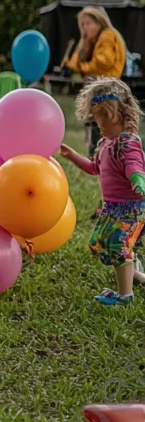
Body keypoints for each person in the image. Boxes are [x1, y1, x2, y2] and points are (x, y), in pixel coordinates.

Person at [59, 78, 145, 306]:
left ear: (121, 115)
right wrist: (73, 156)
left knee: (118, 246)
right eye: (98, 123)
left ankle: (125, 296)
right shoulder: (106, 143)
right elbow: (93, 168)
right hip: (112, 208)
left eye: (104, 122)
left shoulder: (127, 143)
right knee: (100, 243)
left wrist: (138, 180)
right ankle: (136, 277)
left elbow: (135, 165)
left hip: (131, 208)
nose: (101, 128)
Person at [63, 6, 128, 157]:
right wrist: (83, 43)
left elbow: (102, 62)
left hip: (108, 87)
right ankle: (97, 157)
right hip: (100, 87)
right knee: (96, 125)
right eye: (83, 24)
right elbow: (75, 63)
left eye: (88, 23)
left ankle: (101, 157)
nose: (85, 28)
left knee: (102, 125)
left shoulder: (107, 35)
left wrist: (82, 66)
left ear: (99, 22)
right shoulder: (95, 40)